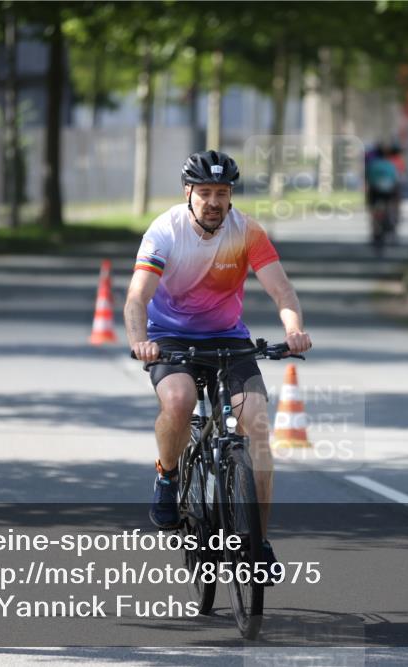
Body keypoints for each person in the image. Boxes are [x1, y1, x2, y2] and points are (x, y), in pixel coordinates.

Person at [124, 150, 313, 567]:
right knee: (179, 401)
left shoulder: (247, 231)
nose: (213, 202)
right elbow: (137, 297)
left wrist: (293, 330)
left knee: (256, 425)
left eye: (222, 193)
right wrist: (140, 341)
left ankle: (258, 543)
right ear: (188, 193)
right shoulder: (165, 231)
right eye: (205, 192)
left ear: (230, 196)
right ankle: (168, 476)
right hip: (169, 338)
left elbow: (282, 291)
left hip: (228, 337)